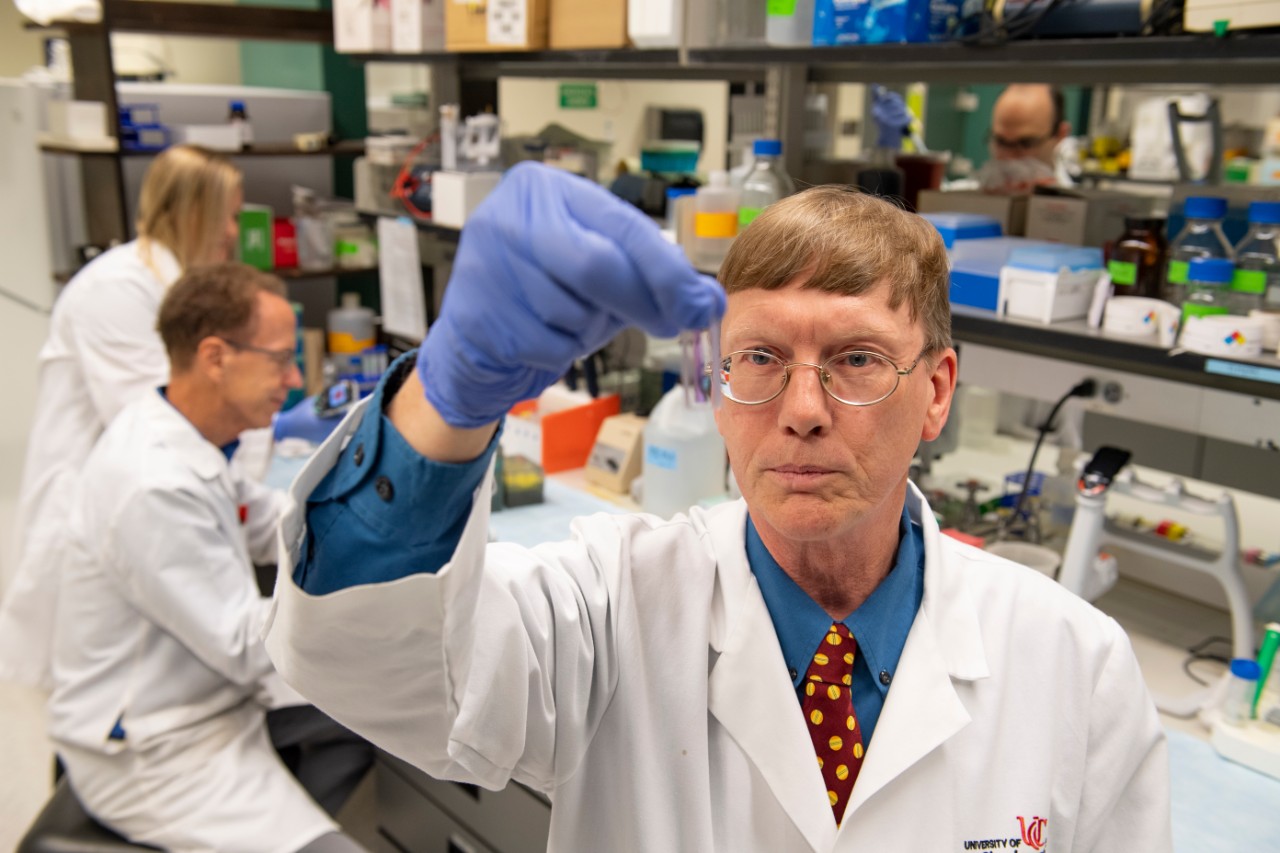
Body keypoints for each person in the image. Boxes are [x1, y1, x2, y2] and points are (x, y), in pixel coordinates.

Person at [265, 163, 1171, 850]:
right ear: (716, 382)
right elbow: (362, 654)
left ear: (936, 392)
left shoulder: (1074, 665)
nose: (804, 410)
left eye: (857, 359)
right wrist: (448, 400)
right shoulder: (609, 608)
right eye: (761, 358)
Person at [49, 263, 372, 852]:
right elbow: (246, 645)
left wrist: (372, 525)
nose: (294, 378)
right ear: (216, 356)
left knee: (379, 718)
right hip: (158, 748)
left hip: (207, 695)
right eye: (280, 359)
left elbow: (262, 517)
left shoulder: (181, 431)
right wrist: (375, 606)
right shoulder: (152, 483)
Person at [0, 145, 242, 689]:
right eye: (226, 215)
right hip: (93, 500)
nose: (232, 232)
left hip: (136, 503)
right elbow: (165, 417)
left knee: (123, 680)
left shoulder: (171, 284)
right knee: (95, 684)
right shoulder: (117, 289)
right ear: (191, 213)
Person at [979, 84, 1072, 192]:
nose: (1009, 158)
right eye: (1001, 142)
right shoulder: (959, 199)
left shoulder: (1079, 205)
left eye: (1026, 143)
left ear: (1061, 134)